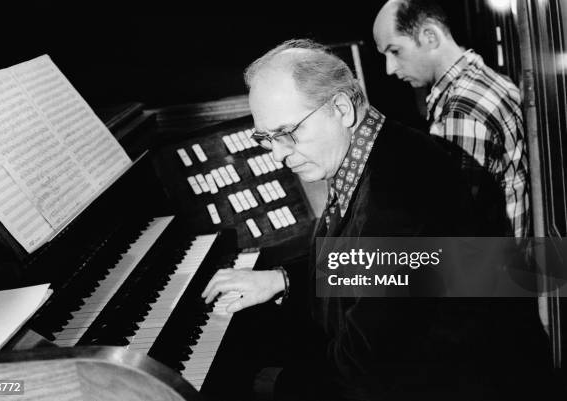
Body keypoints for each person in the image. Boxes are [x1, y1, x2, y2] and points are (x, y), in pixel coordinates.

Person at [202, 39, 554, 400]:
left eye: (289, 133)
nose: (278, 154)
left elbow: (364, 367)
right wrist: (283, 278)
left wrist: (275, 386)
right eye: (267, 138)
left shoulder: (401, 193)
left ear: (341, 108)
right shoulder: (382, 150)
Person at [373, 0, 530, 237]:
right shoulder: (486, 78)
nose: (390, 68)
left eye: (395, 51)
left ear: (430, 37)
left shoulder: (460, 112)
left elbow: (455, 225)